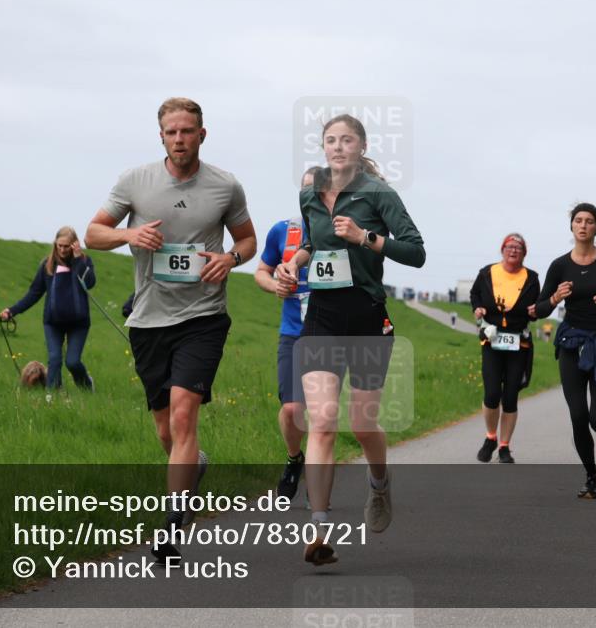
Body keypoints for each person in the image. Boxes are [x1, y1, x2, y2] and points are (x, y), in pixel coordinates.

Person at [83, 97, 256, 563]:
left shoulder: (225, 186)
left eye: (188, 131)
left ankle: (172, 529)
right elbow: (92, 234)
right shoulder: (135, 181)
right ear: (161, 136)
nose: (180, 139)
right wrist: (128, 235)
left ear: (203, 134)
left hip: (203, 316)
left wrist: (230, 259)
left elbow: (247, 239)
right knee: (165, 429)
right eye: (171, 132)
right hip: (148, 319)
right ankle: (193, 465)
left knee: (183, 416)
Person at [275, 114, 425, 566]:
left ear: (361, 147)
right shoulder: (310, 193)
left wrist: (366, 237)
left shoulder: (380, 194)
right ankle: (319, 530)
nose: (337, 147)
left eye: (347, 140)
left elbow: (416, 252)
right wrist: (294, 265)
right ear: (323, 148)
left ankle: (379, 483)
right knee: (320, 421)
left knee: (362, 425)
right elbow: (313, 245)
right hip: (321, 317)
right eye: (330, 141)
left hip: (367, 317)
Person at [535, 203, 596, 500]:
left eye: (589, 221)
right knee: (578, 415)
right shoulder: (559, 266)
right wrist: (555, 296)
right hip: (572, 345)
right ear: (571, 226)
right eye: (578, 220)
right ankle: (591, 477)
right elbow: (541, 308)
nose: (583, 225)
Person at [254, 167, 319, 501]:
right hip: (293, 331)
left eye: (317, 189)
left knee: (322, 413)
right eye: (305, 189)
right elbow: (261, 272)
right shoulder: (283, 230)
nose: (310, 195)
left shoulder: (339, 231)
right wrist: (275, 286)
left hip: (329, 334)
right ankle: (295, 460)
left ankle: (319, 486)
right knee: (292, 409)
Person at [470, 233, 540, 464]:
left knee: (510, 397)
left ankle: (504, 446)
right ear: (502, 250)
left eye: (518, 248)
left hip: (519, 342)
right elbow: (475, 294)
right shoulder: (487, 273)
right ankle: (490, 437)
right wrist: (478, 308)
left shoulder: (532, 278)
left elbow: (538, 305)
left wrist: (535, 311)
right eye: (509, 247)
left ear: (524, 253)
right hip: (492, 339)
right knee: (492, 394)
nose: (513, 251)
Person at [0, 226, 96, 391]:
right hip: (53, 322)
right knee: (54, 359)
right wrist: (12, 310)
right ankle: (51, 396)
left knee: (72, 362)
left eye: (66, 246)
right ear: (55, 244)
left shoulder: (84, 262)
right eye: (59, 245)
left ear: (74, 245)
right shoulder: (47, 265)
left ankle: (88, 387)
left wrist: (79, 260)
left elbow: (90, 283)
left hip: (78, 323)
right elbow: (34, 293)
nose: (62, 249)